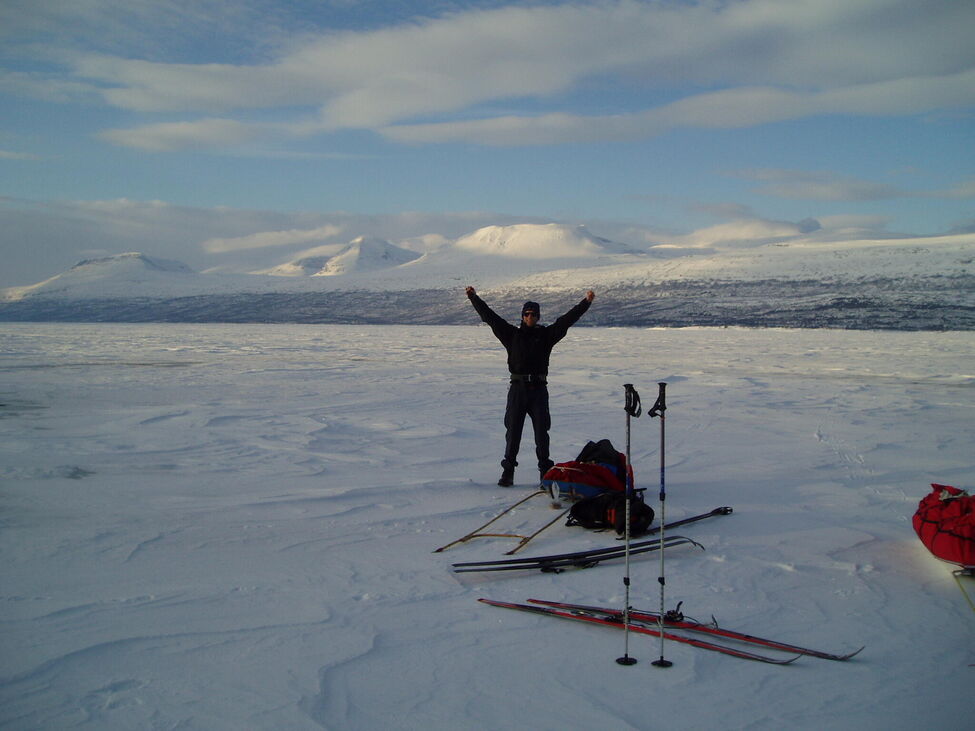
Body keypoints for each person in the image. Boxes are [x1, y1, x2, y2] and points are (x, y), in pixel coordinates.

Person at [466, 286, 595, 486]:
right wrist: (474, 298)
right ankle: (507, 472)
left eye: (534, 314)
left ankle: (545, 473)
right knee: (513, 432)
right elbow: (490, 317)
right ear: (522, 316)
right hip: (518, 389)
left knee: (542, 433)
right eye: (527, 314)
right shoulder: (511, 335)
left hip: (538, 390)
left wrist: (586, 303)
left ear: (538, 316)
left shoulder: (546, 336)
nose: (530, 317)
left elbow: (567, 320)